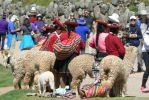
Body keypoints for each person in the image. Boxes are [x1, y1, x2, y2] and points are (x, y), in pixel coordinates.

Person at [54, 20, 84, 88]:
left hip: (62, 57)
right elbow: (82, 46)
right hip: (73, 57)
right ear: (74, 28)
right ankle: (72, 90)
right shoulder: (77, 36)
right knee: (72, 74)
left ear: (67, 27)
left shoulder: (62, 35)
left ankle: (62, 90)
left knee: (62, 74)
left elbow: (57, 43)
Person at [141, 28, 149, 92]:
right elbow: (148, 44)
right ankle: (143, 85)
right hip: (145, 52)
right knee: (148, 68)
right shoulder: (146, 34)